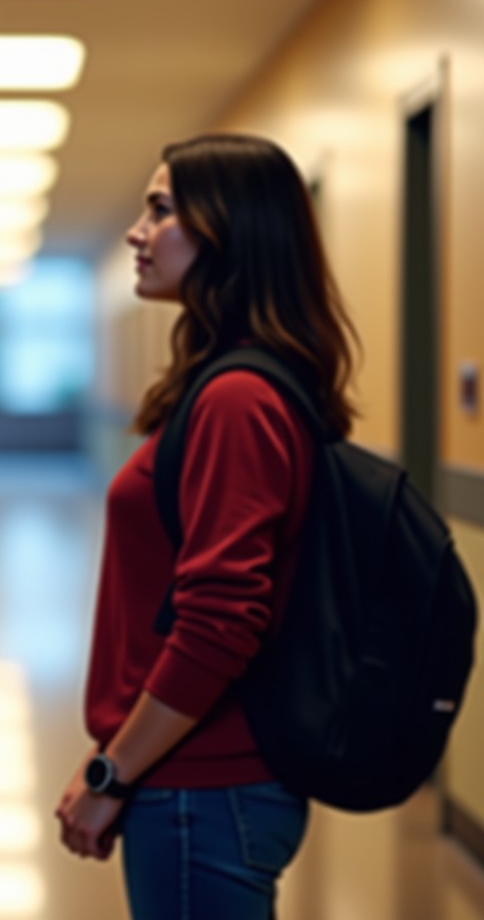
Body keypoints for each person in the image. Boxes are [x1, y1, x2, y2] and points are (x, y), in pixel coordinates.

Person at [56, 133, 359, 918]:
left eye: (160, 209)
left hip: (207, 788)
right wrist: (118, 753)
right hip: (194, 775)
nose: (136, 231)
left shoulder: (237, 401)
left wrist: (111, 774)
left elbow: (220, 622)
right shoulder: (228, 386)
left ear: (229, 231)